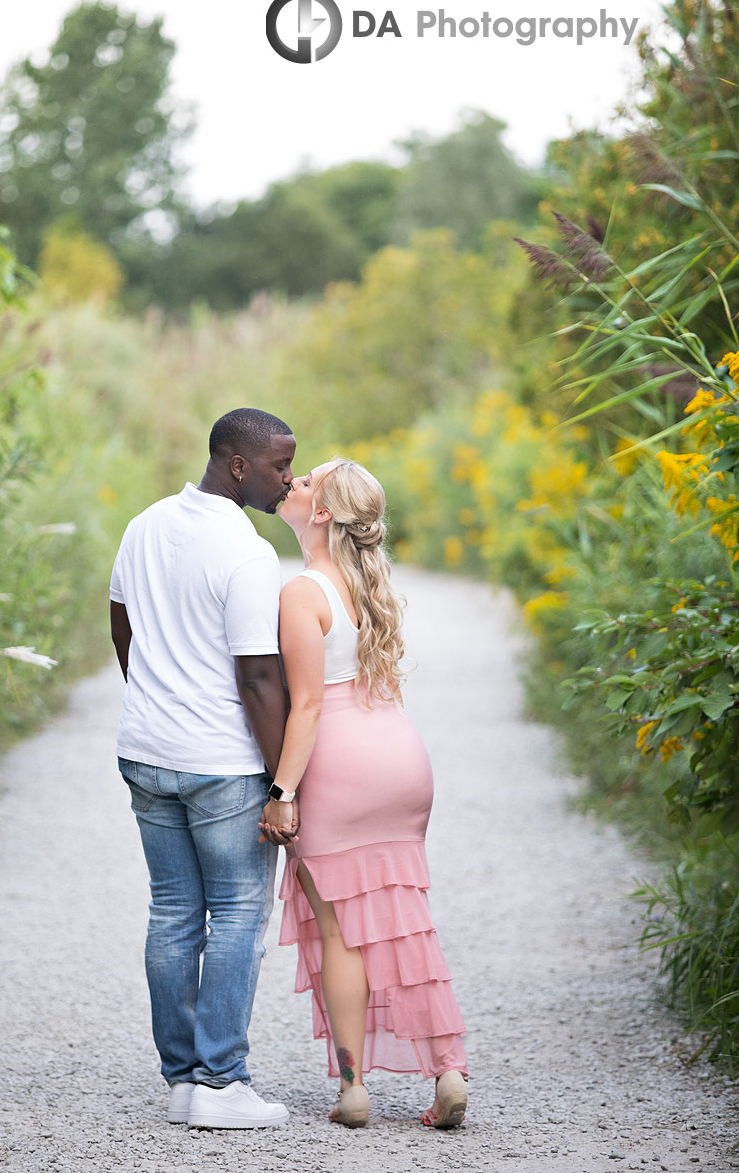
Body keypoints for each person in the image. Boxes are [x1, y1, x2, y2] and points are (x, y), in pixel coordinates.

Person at [259, 458, 468, 1129]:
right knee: (407, 924)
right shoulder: (367, 581)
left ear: (320, 514)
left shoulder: (302, 593)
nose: (290, 484)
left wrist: (281, 789)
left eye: (303, 483)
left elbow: (309, 707)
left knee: (341, 934)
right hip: (401, 763)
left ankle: (353, 1091)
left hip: (341, 771)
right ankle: (448, 1073)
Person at [109, 407, 298, 1130]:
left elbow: (122, 626)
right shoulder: (246, 552)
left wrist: (156, 699)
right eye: (280, 466)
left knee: (173, 915)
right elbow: (258, 676)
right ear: (238, 464)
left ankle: (184, 1080)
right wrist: (284, 781)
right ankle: (223, 1083)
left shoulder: (144, 524)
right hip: (220, 763)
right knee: (238, 918)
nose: (288, 479)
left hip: (146, 750)